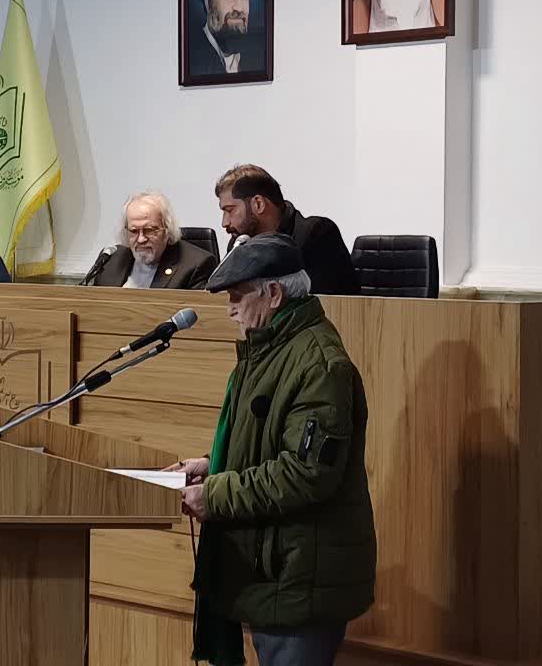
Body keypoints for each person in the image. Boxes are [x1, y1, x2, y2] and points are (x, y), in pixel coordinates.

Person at [165, 233, 376, 666]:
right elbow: (266, 443)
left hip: (300, 576)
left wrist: (216, 494)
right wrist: (212, 465)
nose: (230, 309)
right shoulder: (272, 349)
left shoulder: (319, 364)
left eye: (237, 297)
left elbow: (305, 472)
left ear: (274, 294)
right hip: (277, 570)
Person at [215, 164, 358, 296]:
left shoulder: (317, 234)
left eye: (230, 210)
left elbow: (329, 302)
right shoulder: (239, 243)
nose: (224, 222)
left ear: (258, 204)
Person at [93, 192, 218, 290]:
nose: (141, 239)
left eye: (149, 230)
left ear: (167, 230)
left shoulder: (196, 265)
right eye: (134, 231)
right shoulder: (111, 259)